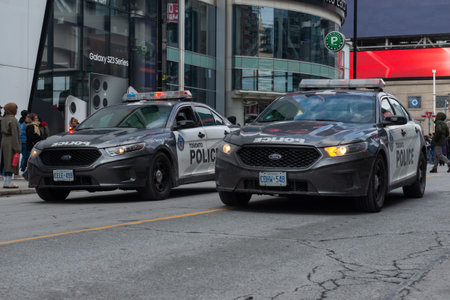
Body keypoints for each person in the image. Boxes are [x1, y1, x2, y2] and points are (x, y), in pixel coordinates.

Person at [1, 103, 21, 188]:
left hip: (4, 141)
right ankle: (8, 183)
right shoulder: (13, 120)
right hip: (11, 141)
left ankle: (6, 182)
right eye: (15, 109)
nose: (16, 111)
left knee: (6, 162)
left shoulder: (3, 119)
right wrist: (17, 148)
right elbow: (15, 134)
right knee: (11, 162)